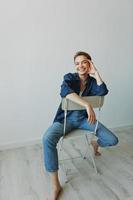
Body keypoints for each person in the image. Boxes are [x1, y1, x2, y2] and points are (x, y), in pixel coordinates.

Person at [42, 51, 118, 200]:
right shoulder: (70, 78)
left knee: (112, 140)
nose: (80, 66)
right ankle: (55, 185)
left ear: (89, 62)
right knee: (47, 138)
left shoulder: (92, 82)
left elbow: (103, 91)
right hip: (66, 120)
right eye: (77, 63)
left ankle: (95, 143)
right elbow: (65, 91)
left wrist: (95, 72)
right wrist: (87, 104)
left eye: (84, 62)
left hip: (85, 120)